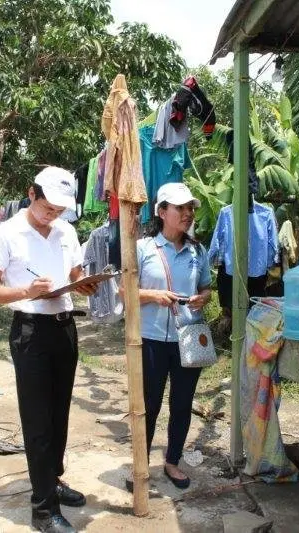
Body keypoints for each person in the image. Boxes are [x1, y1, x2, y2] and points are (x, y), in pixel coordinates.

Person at [0, 167, 98, 533]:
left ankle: (53, 480)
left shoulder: (66, 231)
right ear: (31, 194)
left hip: (64, 327)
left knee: (59, 414)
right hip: (30, 331)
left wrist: (84, 283)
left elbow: (74, 272)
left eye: (59, 210)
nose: (53, 215)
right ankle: (43, 510)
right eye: (48, 208)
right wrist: (26, 292)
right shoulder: (7, 233)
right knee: (37, 420)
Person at [131, 182, 212, 490]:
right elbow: (124, 292)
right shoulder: (142, 249)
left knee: (182, 404)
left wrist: (203, 298)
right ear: (162, 212)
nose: (188, 213)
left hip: (187, 339)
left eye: (190, 208)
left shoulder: (198, 251)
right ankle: (140, 466)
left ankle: (172, 462)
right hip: (151, 340)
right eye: (180, 208)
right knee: (148, 405)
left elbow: (205, 287)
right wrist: (153, 295)